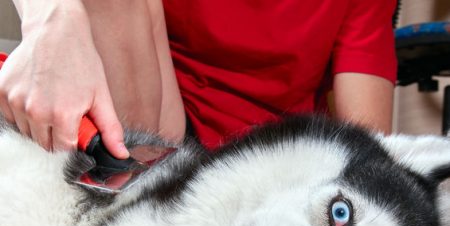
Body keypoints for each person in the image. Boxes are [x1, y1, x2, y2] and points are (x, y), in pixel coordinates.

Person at [0, 0, 397, 156]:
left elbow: (368, 140)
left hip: (270, 162)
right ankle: (127, 217)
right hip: (165, 134)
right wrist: (50, 17)